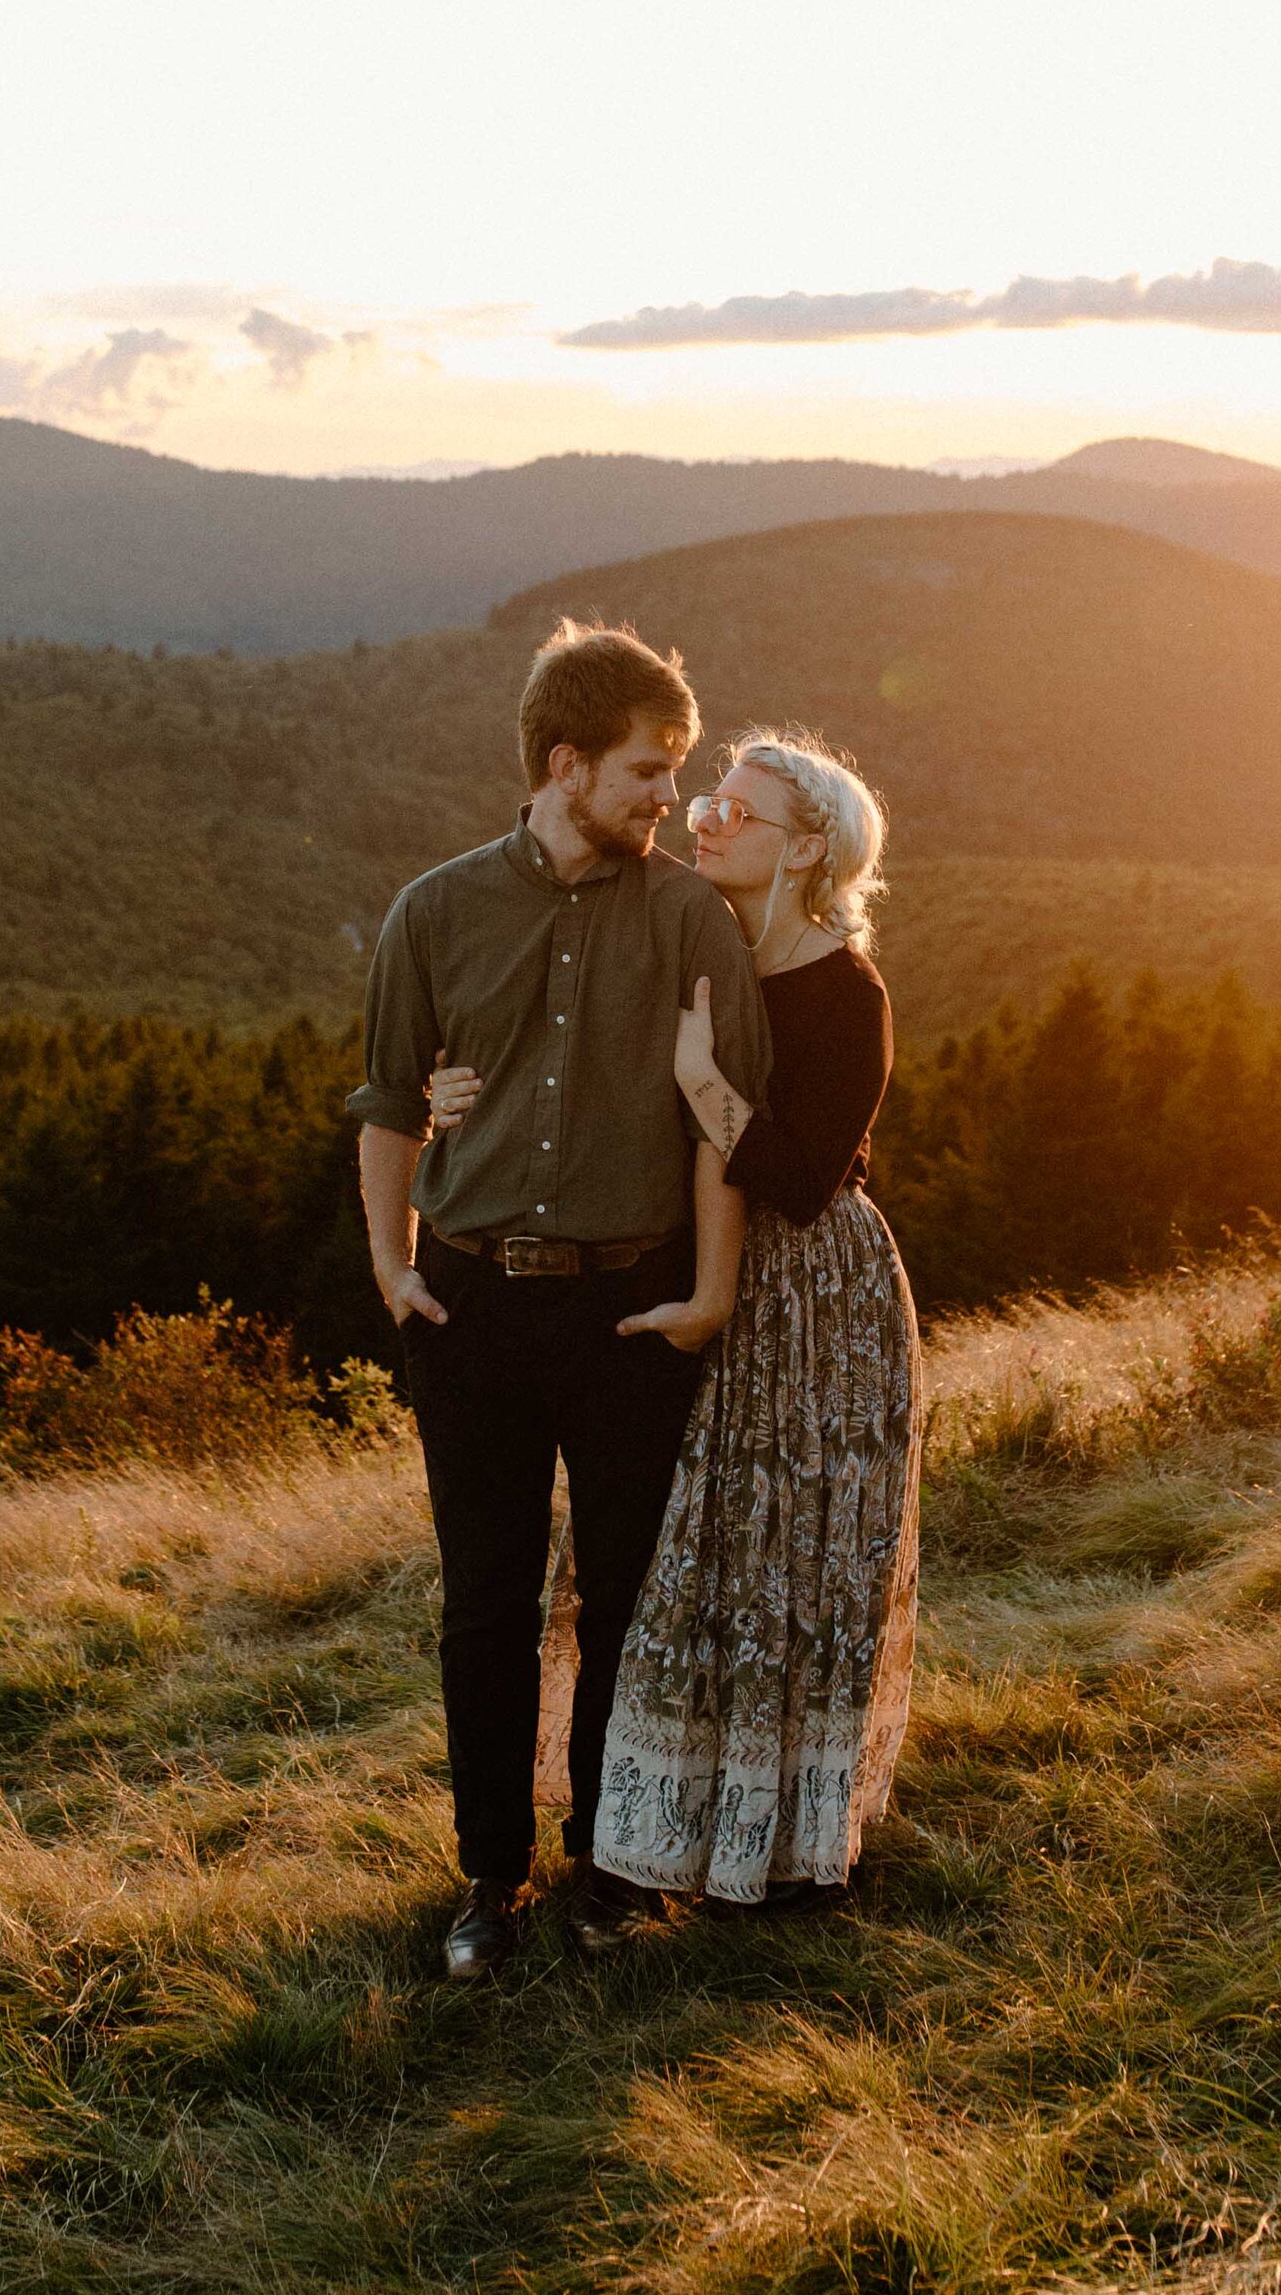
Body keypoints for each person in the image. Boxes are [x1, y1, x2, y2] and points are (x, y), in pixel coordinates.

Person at [348, 620, 770, 1979]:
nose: (673, 802)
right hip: (469, 1309)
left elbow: (729, 1127)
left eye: (679, 773)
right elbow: (388, 1099)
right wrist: (392, 1261)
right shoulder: (438, 908)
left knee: (627, 1595)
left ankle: (609, 1858)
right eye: (651, 772)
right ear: (566, 761)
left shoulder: (692, 917)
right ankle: (490, 1875)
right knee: (486, 1601)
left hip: (628, 1310)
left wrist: (708, 1293)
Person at [447, 728, 922, 1910]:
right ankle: (644, 1841)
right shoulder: (695, 943)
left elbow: (800, 1177)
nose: (704, 820)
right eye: (707, 800)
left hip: (814, 1297)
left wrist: (702, 1072)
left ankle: (775, 1849)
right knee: (688, 1568)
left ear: (811, 849)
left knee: (791, 1568)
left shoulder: (841, 989)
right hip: (689, 1274)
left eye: (738, 813)